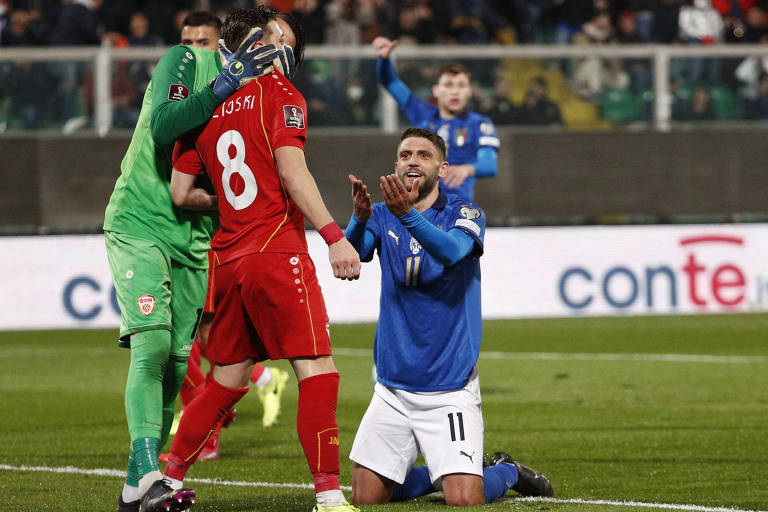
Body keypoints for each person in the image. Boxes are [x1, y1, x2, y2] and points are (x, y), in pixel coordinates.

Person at [163, 11, 362, 512]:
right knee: (316, 368)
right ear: (259, 43)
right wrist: (335, 236)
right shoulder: (281, 95)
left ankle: (167, 475)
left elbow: (182, 192)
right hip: (275, 248)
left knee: (226, 378)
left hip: (228, 258)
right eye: (277, 38)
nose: (282, 47)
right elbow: (293, 173)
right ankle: (329, 495)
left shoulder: (204, 106)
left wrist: (232, 205)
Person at [103, 6, 291, 512]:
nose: (281, 50)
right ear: (248, 41)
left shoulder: (268, 99)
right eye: (275, 39)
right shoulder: (187, 59)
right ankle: (148, 473)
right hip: (141, 221)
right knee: (153, 345)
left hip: (198, 240)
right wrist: (225, 82)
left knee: (179, 363)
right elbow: (164, 128)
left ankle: (133, 491)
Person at [344, 127, 553, 506]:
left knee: (465, 500)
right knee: (366, 497)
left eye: (424, 155)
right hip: (393, 388)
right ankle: (439, 471)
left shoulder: (465, 213)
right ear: (396, 164)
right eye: (406, 154)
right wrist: (358, 220)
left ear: (442, 168)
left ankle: (506, 470)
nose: (413, 161)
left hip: (449, 386)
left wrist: (407, 216)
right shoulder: (381, 214)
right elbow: (357, 253)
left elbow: (452, 252)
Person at [159, 10, 291, 465]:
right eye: (186, 40)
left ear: (224, 49)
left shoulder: (238, 96)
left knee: (201, 338)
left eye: (204, 40)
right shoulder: (188, 99)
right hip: (195, 234)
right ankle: (254, 385)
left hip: (225, 241)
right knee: (197, 338)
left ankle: (208, 429)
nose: (193, 48)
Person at [372, 36, 499, 201]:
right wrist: (383, 60)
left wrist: (466, 169)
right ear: (436, 90)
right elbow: (390, 82)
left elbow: (490, 165)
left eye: (461, 86)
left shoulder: (479, 124)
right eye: (448, 85)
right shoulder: (422, 113)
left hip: (455, 209)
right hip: (420, 206)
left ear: (469, 91)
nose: (455, 91)